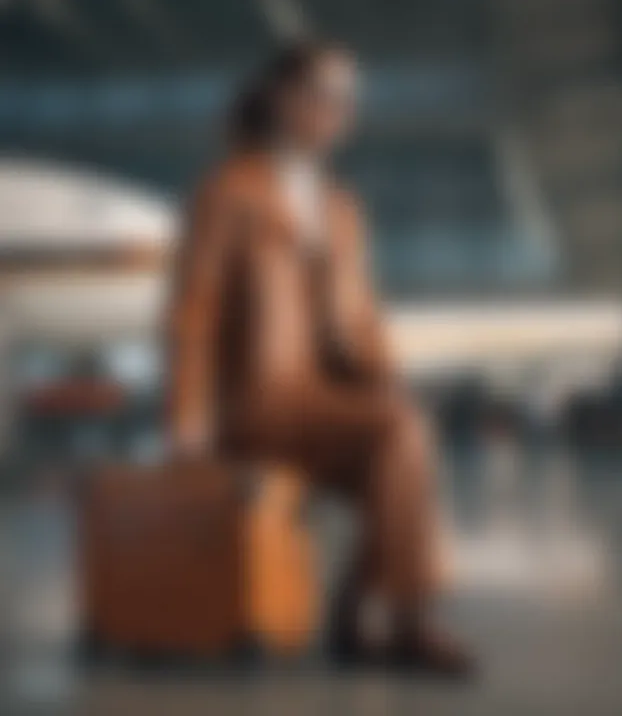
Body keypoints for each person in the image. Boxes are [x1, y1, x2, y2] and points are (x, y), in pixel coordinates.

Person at [168, 40, 474, 676]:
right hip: (257, 403)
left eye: (349, 100)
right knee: (399, 434)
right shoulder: (229, 190)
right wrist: (187, 419)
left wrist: (391, 380)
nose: (344, 113)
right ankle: (402, 620)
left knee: (404, 444)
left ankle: (366, 615)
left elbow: (361, 318)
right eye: (329, 96)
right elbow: (193, 311)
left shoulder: (342, 209)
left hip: (324, 398)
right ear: (284, 99)